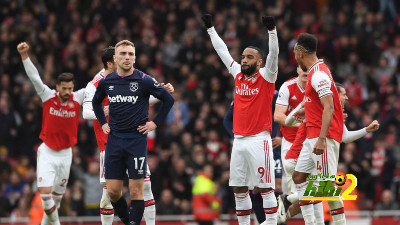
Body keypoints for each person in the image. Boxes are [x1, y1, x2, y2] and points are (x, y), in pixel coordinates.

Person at [83, 46, 174, 225]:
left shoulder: (137, 78)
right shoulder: (96, 83)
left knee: (143, 188)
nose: (126, 59)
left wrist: (161, 92)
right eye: (121, 55)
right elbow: (87, 112)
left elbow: (140, 98)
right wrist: (105, 113)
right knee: (110, 194)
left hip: (134, 141)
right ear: (112, 61)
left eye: (130, 54)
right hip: (108, 145)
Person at [202, 14, 279, 225]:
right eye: (243, 56)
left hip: (259, 139)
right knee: (239, 188)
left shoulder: (267, 76)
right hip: (239, 140)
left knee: (265, 187)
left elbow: (274, 54)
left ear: (260, 62)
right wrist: (210, 28)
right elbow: (222, 51)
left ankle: (272, 222)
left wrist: (272, 31)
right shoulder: (237, 74)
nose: (244, 60)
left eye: (249, 57)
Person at [277, 82, 379, 224]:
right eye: (344, 94)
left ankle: (287, 203)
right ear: (335, 95)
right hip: (302, 155)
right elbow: (288, 121)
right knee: (327, 189)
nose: (347, 98)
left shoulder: (333, 112)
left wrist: (366, 130)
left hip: (304, 156)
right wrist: (302, 106)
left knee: (316, 195)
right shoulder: (323, 109)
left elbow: (346, 137)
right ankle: (288, 201)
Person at [17, 42, 85, 225]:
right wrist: (25, 57)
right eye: (64, 88)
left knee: (54, 203)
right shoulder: (48, 96)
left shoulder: (77, 98)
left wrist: (111, 69)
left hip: (66, 155)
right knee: (45, 196)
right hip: (47, 151)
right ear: (57, 87)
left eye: (70, 88)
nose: (68, 92)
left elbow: (95, 83)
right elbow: (35, 78)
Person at [223, 90, 284, 224]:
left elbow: (286, 115)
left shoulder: (274, 93)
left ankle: (279, 218)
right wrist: (238, 137)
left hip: (272, 146)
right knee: (255, 188)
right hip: (252, 146)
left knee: (276, 187)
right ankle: (265, 220)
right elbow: (227, 120)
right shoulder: (242, 93)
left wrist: (284, 139)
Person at [274, 66, 306, 195]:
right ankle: (285, 205)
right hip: (290, 140)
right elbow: (278, 116)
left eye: (308, 68)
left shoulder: (319, 88)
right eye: (303, 68)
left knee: (314, 186)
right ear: (297, 69)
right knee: (289, 190)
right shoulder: (287, 87)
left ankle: (315, 215)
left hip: (313, 141)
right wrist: (301, 126)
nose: (306, 71)